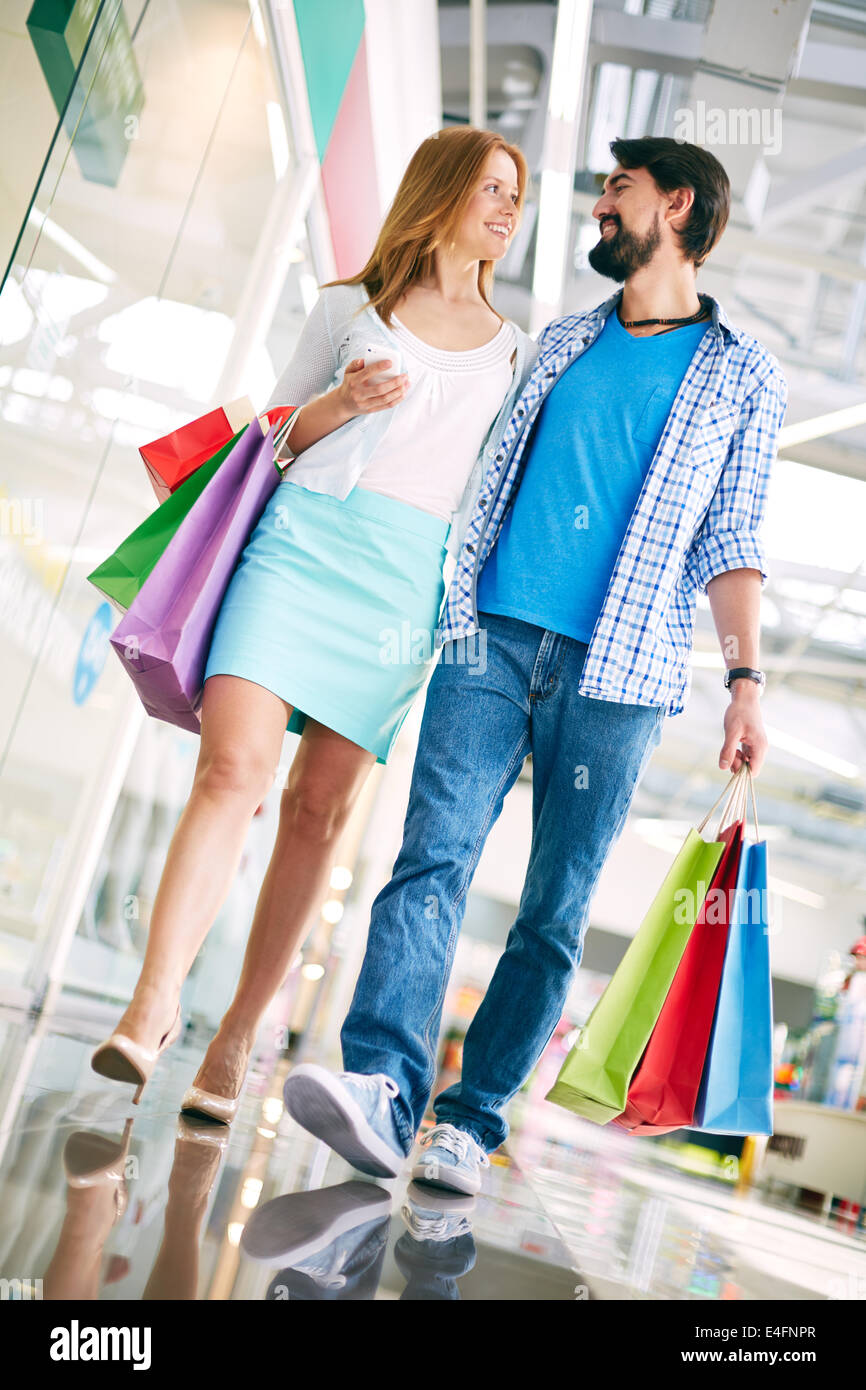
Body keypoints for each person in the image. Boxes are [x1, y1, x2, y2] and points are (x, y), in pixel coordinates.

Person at [281, 136, 788, 1195]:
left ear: (677, 206)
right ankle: (381, 1085)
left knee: (556, 908)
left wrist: (745, 681)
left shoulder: (743, 373)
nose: (598, 208)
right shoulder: (559, 340)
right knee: (431, 858)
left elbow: (729, 537)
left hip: (619, 675)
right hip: (489, 636)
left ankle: (468, 1120)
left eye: (618, 191)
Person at [91, 126, 538, 1117]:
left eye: (518, 194)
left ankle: (239, 1032)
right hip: (298, 549)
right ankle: (151, 1004)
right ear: (444, 191)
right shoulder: (345, 306)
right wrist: (338, 403)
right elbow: (276, 438)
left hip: (400, 585)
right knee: (230, 771)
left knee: (315, 813)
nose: (509, 209)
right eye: (492, 189)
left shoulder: (517, 352)